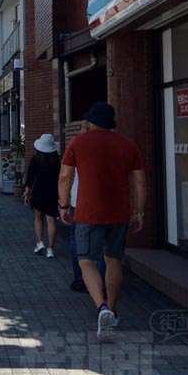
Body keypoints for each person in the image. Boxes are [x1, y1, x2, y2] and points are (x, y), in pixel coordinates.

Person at [58, 101, 145, 343]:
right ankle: (113, 309)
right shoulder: (128, 146)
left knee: (87, 262)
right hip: (119, 212)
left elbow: (65, 176)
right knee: (113, 259)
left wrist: (64, 205)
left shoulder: (78, 142)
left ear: (92, 122)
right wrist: (139, 212)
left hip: (87, 212)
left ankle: (101, 308)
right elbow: (139, 182)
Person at [67, 121, 106, 292]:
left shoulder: (77, 146)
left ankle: (81, 279)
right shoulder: (109, 147)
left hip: (79, 201)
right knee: (104, 245)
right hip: (105, 202)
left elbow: (65, 176)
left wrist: (63, 203)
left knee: (78, 242)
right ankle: (103, 283)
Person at [24, 134, 61, 258]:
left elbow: (30, 178)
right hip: (53, 192)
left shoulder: (35, 159)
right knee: (51, 219)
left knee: (38, 216)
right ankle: (51, 249)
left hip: (39, 191)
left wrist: (27, 194)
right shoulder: (57, 160)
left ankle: (40, 243)